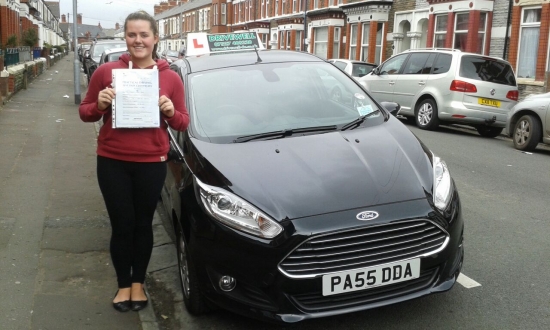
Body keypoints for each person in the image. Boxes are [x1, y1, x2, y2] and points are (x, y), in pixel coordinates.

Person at [79, 10, 189, 313]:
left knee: (143, 225)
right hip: (112, 161)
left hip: (152, 162)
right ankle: (123, 284)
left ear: (155, 38)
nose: (137, 40)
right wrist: (99, 104)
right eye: (131, 35)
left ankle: (138, 283)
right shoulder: (107, 73)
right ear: (125, 37)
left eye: (144, 35)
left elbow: (182, 122)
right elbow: (85, 111)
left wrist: (169, 111)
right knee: (121, 225)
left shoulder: (170, 78)